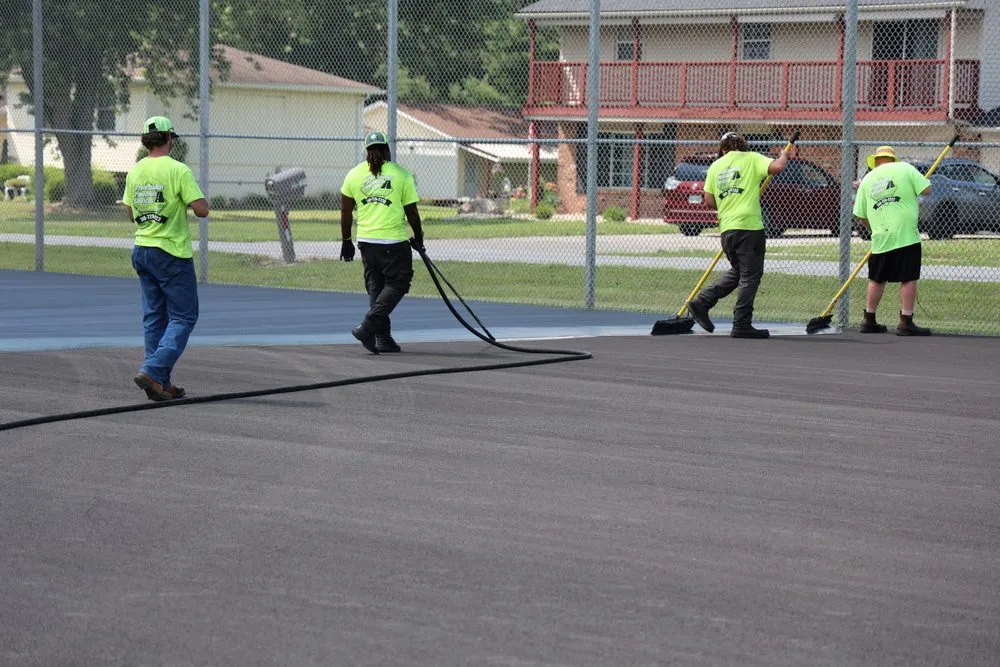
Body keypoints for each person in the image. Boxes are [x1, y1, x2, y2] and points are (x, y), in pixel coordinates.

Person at [123, 116, 209, 400]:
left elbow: (130, 213)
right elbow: (201, 209)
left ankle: (159, 381)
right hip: (171, 252)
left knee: (154, 318)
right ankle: (153, 368)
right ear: (169, 138)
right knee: (184, 316)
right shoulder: (178, 170)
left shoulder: (136, 171)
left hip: (143, 250)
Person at [685, 132, 794, 339]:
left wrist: (729, 201)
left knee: (740, 272)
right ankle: (741, 323)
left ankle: (702, 302)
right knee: (750, 276)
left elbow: (709, 201)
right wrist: (783, 156)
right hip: (749, 227)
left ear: (722, 148)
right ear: (743, 145)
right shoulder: (751, 158)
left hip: (727, 229)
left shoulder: (715, 167)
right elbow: (777, 168)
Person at [340, 131, 424, 354]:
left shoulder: (353, 175)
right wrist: (419, 236)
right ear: (387, 149)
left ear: (366, 151)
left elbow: (346, 211)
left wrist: (346, 241)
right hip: (394, 242)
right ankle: (368, 327)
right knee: (398, 283)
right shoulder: (402, 175)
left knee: (376, 289)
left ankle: (383, 339)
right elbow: (412, 212)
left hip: (366, 242)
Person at [852, 146, 932, 336]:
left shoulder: (867, 180)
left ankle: (869, 319)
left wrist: (874, 229)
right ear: (892, 159)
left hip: (881, 236)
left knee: (877, 278)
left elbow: (860, 214)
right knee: (908, 277)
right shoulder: (906, 168)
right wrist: (915, 188)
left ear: (876, 161)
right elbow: (927, 190)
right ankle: (906, 321)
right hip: (905, 235)